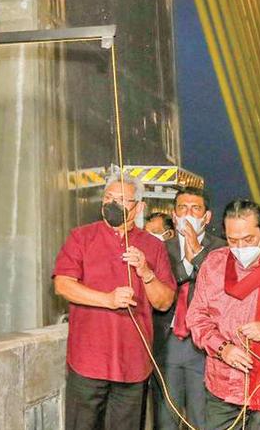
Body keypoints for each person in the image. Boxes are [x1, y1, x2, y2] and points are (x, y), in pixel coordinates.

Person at [53, 174, 176, 430]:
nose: (112, 205)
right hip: (88, 363)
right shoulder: (81, 237)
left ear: (139, 206)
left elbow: (164, 303)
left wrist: (146, 272)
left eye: (121, 200)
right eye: (108, 198)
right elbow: (63, 284)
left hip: (133, 366)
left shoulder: (153, 246)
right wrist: (107, 300)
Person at [186, 199, 260, 429]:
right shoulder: (214, 263)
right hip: (222, 385)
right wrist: (222, 348)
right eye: (233, 241)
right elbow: (196, 318)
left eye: (248, 240)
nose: (241, 248)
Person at [151, 188, 225, 430]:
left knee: (201, 417)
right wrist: (187, 263)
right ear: (173, 214)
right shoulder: (159, 248)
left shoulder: (221, 249)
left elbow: (220, 285)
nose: (189, 213)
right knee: (167, 417)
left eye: (196, 209)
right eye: (183, 208)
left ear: (207, 216)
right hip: (167, 341)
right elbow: (166, 283)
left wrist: (197, 252)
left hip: (204, 346)